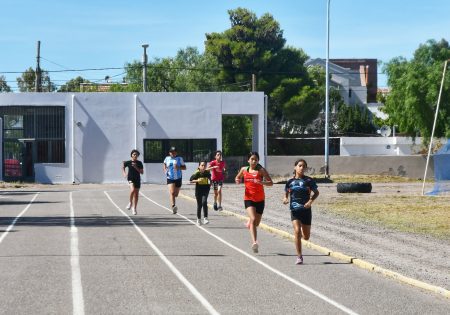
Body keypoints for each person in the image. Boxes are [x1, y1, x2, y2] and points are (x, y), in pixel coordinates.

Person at [283, 158, 319, 265]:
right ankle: (299, 257)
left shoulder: (308, 181)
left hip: (306, 210)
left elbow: (316, 193)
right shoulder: (289, 181)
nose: (302, 168)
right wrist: (285, 199)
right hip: (295, 210)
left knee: (306, 237)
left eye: (304, 166)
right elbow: (286, 193)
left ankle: (298, 238)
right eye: (300, 165)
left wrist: (310, 201)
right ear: (295, 167)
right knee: (297, 231)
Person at [235, 152, 273, 253]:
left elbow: (271, 183)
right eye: (252, 159)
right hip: (248, 199)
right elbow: (237, 177)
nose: (254, 161)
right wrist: (237, 180)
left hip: (260, 199)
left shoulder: (261, 170)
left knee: (256, 223)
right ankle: (255, 243)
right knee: (253, 218)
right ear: (248, 160)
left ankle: (250, 224)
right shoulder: (244, 169)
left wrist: (262, 182)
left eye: (256, 159)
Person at [163, 146, 186, 214]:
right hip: (170, 178)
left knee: (176, 194)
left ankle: (173, 201)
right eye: (171, 152)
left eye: (174, 152)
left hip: (178, 178)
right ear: (169, 153)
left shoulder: (179, 158)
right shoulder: (167, 158)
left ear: (176, 153)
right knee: (172, 193)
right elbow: (164, 164)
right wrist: (165, 170)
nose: (173, 153)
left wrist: (178, 167)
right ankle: (173, 206)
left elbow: (184, 168)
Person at [122, 149, 144, 215]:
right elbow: (123, 166)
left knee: (136, 195)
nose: (135, 155)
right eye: (134, 154)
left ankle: (134, 208)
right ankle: (130, 202)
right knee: (132, 190)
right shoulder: (128, 162)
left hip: (137, 179)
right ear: (131, 155)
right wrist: (124, 173)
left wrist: (136, 167)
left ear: (137, 156)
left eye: (136, 155)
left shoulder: (139, 163)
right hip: (130, 178)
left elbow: (142, 172)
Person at [190, 161, 211, 226]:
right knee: (199, 205)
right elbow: (191, 180)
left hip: (205, 190)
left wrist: (210, 183)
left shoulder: (207, 173)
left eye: (204, 165)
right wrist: (197, 180)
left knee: (204, 202)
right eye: (202, 165)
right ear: (199, 166)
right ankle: (198, 219)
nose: (203, 167)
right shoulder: (197, 173)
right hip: (198, 191)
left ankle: (205, 218)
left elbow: (210, 181)